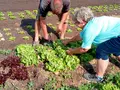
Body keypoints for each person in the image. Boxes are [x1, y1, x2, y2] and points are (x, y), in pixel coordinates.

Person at [62, 7, 120, 82]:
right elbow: (80, 36)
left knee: (102, 49)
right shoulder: (93, 21)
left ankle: (98, 77)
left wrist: (71, 52)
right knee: (112, 45)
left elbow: (84, 49)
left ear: (82, 21)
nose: (75, 24)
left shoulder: (90, 29)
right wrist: (68, 41)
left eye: (76, 22)